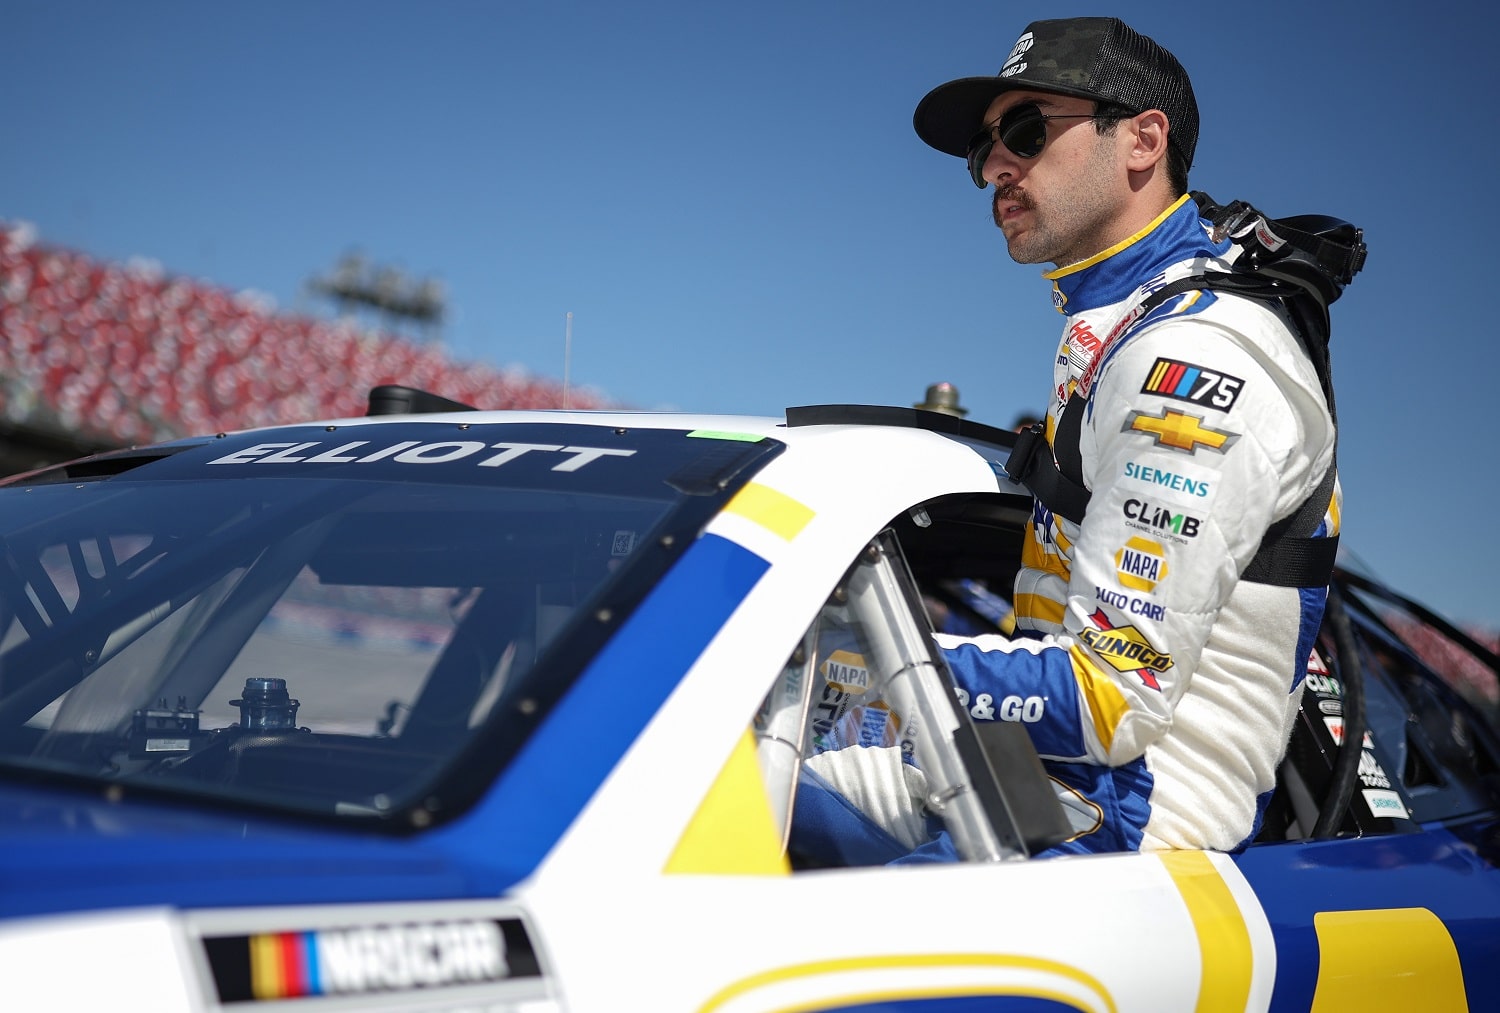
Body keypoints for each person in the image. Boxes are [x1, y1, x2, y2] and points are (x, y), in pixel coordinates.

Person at [904, 17, 1343, 855]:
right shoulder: (1125, 322)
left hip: (1138, 819)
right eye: (982, 151)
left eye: (1027, 130)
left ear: (1144, 141)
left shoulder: (1194, 355)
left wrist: (854, 662)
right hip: (1030, 773)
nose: (996, 164)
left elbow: (1112, 699)